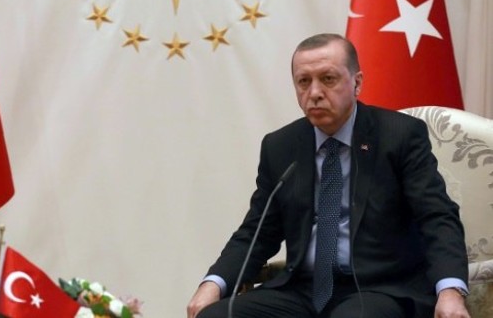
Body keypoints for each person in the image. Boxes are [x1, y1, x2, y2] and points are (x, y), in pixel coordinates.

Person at [187, 33, 470, 318]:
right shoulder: (281, 146)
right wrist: (213, 283)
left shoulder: (399, 135)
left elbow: (437, 216)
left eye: (328, 79)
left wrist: (450, 290)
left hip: (378, 289)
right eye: (304, 82)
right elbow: (257, 232)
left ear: (357, 82)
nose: (315, 93)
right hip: (301, 290)